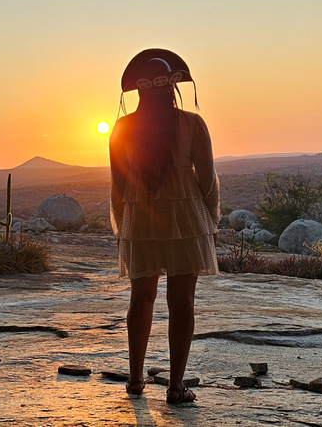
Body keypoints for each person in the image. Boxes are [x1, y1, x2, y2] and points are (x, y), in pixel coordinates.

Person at [109, 49, 219, 404]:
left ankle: (136, 380)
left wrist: (123, 225)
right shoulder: (191, 124)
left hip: (141, 220)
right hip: (186, 221)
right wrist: (211, 218)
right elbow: (207, 180)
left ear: (139, 91)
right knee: (182, 302)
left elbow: (119, 185)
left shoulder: (124, 128)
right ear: (173, 87)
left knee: (140, 298)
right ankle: (175, 386)